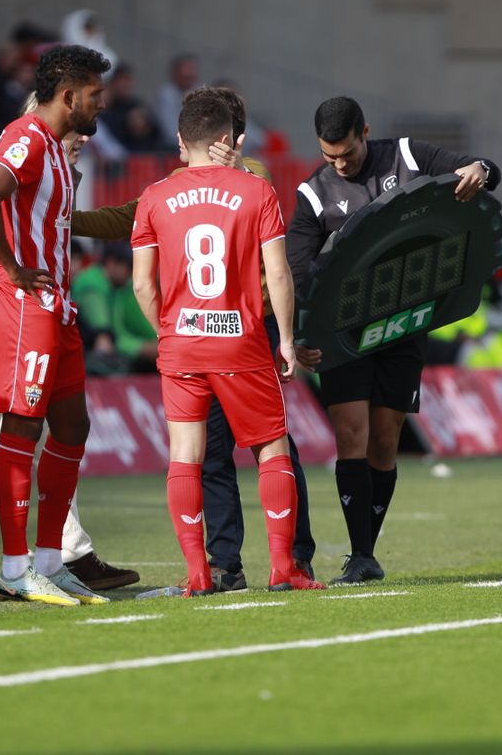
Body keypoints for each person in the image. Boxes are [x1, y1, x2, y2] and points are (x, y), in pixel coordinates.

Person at [70, 85, 319, 590]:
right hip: (243, 336)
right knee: (272, 448)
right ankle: (283, 566)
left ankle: (199, 573)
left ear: (182, 140)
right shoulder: (256, 189)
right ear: (227, 137)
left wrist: (168, 329)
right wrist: (286, 338)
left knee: (188, 454)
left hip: (183, 342)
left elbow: (143, 283)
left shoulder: (158, 194)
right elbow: (279, 272)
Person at [0, 107, 137, 595]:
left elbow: (72, 226)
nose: (84, 137)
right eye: (77, 126)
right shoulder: (15, 165)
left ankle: (70, 552)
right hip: (8, 318)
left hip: (39, 316)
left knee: (55, 435)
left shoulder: (58, 173)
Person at [289, 95, 498, 586]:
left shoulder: (407, 155)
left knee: (386, 440)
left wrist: (481, 171)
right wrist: (299, 334)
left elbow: (480, 168)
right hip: (344, 335)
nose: (340, 163)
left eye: (347, 152)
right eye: (329, 155)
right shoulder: (313, 194)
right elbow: (296, 271)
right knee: (351, 436)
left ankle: (367, 548)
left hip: (405, 325)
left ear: (365, 132)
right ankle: (361, 555)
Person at [0, 44, 111, 606]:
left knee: (73, 426)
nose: (102, 104)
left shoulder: (54, 147)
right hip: (25, 303)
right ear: (68, 96)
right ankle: (14, 567)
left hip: (57, 306)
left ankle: (51, 561)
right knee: (22, 427)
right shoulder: (26, 138)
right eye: (95, 95)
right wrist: (13, 269)